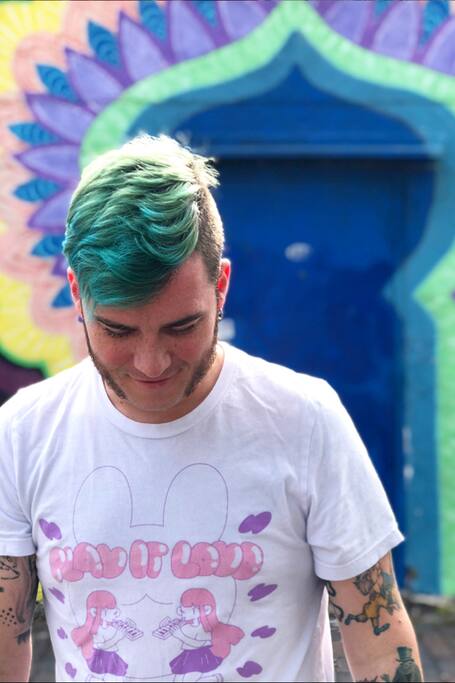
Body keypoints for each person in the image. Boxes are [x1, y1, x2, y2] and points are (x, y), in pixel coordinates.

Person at [0, 135, 422, 683]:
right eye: (118, 331)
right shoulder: (23, 433)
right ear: (77, 294)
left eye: (182, 326)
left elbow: (380, 641)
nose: (151, 362)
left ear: (221, 286)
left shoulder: (304, 420)